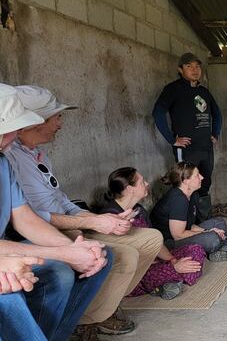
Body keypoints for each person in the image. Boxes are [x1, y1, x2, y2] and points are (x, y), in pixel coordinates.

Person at [6, 85, 162, 336]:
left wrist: (99, 219)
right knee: (114, 256)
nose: (61, 123)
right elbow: (26, 220)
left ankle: (100, 308)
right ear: (34, 122)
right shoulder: (10, 158)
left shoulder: (36, 156)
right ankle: (87, 318)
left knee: (151, 238)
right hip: (47, 231)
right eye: (57, 117)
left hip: (65, 226)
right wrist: (85, 233)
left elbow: (61, 202)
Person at [0, 83, 111, 341]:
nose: (12, 137)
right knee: (10, 297)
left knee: (92, 258)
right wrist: (64, 252)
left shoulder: (3, 162)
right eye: (7, 131)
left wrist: (72, 250)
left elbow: (25, 217)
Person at [100, 167, 205, 300]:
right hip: (135, 271)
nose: (147, 184)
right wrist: (175, 268)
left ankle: (168, 283)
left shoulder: (139, 209)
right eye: (142, 182)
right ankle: (169, 280)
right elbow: (121, 259)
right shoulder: (110, 216)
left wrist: (172, 260)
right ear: (130, 189)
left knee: (196, 249)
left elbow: (154, 242)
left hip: (154, 259)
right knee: (154, 274)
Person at [153, 52, 222, 222]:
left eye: (197, 66)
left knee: (204, 184)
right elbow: (158, 112)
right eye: (189, 66)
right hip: (186, 149)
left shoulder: (203, 91)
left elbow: (217, 113)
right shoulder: (173, 89)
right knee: (185, 185)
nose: (194, 69)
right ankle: (184, 222)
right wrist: (172, 139)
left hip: (205, 147)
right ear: (180, 69)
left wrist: (215, 133)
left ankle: (204, 221)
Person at [150, 162, 227, 262]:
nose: (201, 177)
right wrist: (208, 232)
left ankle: (222, 250)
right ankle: (222, 248)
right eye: (197, 175)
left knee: (218, 222)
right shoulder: (178, 200)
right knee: (211, 238)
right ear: (186, 181)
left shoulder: (192, 195)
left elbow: (190, 225)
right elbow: (178, 235)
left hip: (181, 234)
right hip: (169, 243)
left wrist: (208, 230)